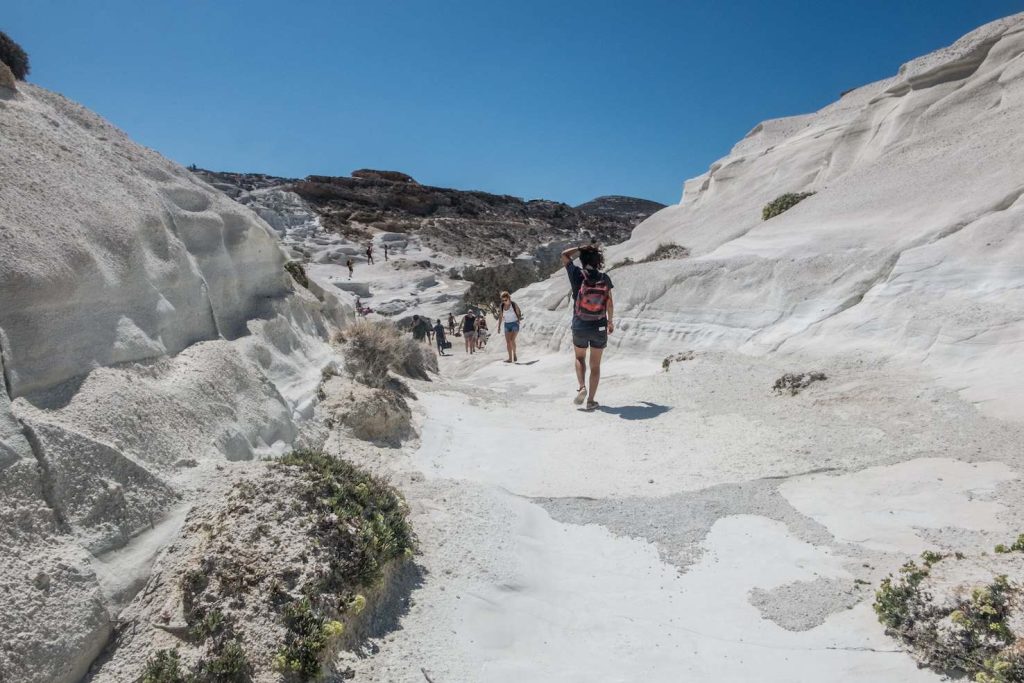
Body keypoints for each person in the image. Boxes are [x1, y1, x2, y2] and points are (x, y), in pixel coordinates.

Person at [560, 244, 614, 411]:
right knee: (595, 365)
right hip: (599, 326)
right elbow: (609, 303)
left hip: (580, 324)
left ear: (582, 260)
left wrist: (579, 247)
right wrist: (610, 322)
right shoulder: (604, 278)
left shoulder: (577, 274)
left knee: (579, 358)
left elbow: (564, 255)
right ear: (598, 261)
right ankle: (591, 400)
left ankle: (582, 387)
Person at [497, 290, 523, 363]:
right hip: (506, 324)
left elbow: (519, 313)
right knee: (508, 342)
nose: (504, 301)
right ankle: (510, 358)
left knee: (512, 340)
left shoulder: (513, 305)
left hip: (514, 323)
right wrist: (498, 327)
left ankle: (514, 353)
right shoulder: (502, 306)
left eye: (506, 299)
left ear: (509, 298)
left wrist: (519, 319)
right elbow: (500, 316)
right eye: (503, 300)